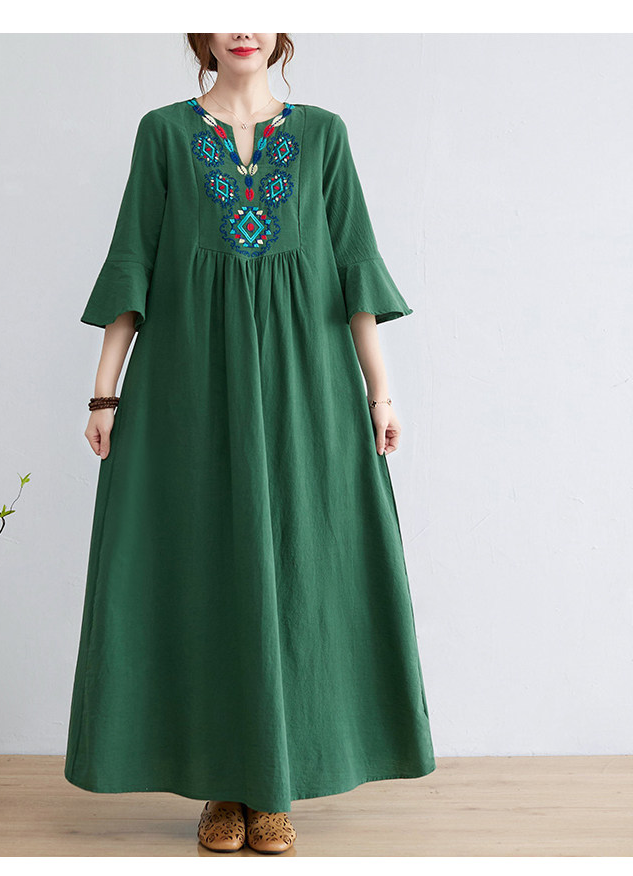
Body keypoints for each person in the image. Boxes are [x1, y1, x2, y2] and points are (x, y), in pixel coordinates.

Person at [64, 33, 436, 855]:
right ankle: (221, 788)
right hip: (189, 388)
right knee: (207, 571)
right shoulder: (164, 133)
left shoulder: (324, 135)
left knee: (300, 569)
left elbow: (354, 264)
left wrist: (380, 389)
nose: (243, 26)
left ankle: (274, 787)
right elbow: (134, 261)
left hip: (306, 385)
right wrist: (104, 392)